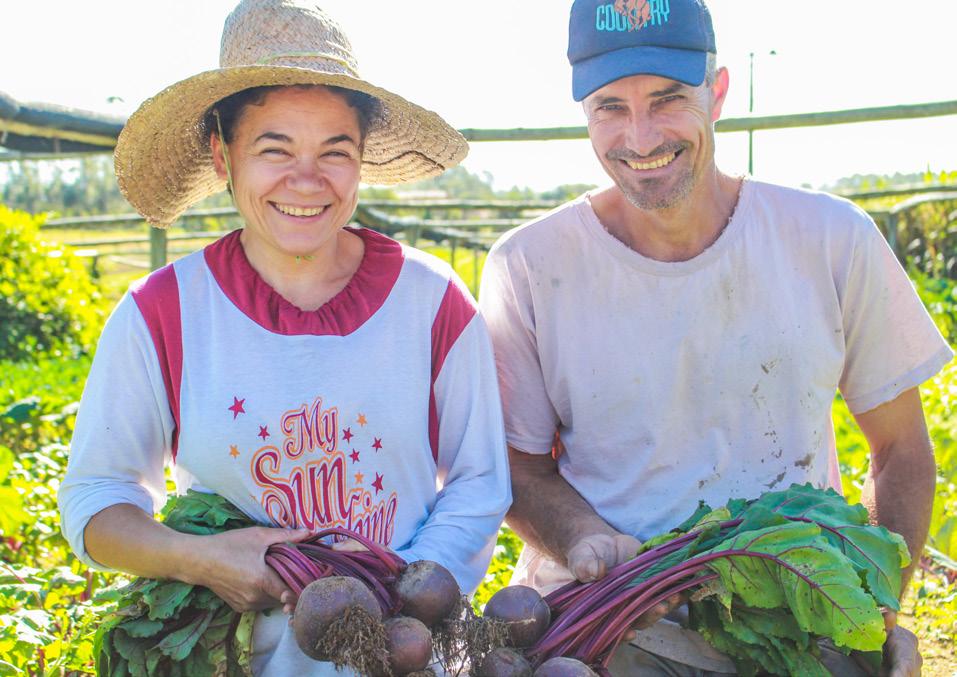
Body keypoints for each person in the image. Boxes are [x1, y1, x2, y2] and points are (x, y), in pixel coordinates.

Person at [478, 0, 952, 674]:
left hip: (790, 615)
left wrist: (874, 608)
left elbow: (902, 449)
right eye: (610, 106)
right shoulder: (528, 265)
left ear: (717, 93)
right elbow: (518, 467)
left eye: (667, 99)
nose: (640, 138)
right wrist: (585, 536)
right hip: (609, 613)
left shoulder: (828, 239)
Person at [58, 1, 510, 674]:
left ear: (361, 162)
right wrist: (201, 556)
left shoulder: (431, 299)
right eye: (275, 150)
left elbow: (478, 478)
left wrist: (413, 588)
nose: (307, 180)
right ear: (223, 153)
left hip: (406, 655)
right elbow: (95, 497)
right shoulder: (164, 311)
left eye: (336, 151)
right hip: (237, 656)